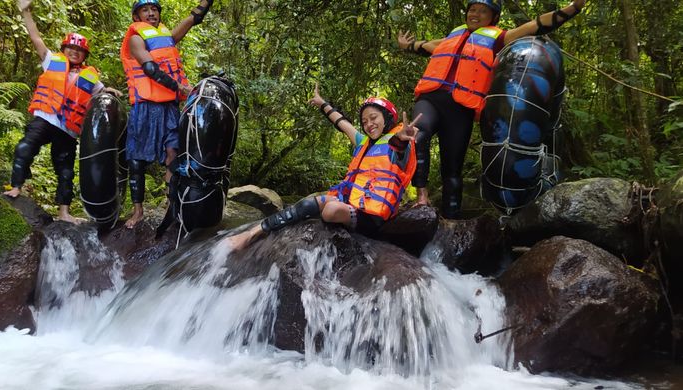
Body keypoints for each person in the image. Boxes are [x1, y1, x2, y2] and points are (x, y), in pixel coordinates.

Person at [397, 0, 586, 218]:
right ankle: (422, 197)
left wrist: (573, 8)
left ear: (492, 18)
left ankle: (450, 222)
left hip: (461, 109)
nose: (475, 14)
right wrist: (406, 46)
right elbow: (425, 46)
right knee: (417, 134)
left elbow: (536, 25)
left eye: (482, 11)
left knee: (452, 170)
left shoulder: (498, 38)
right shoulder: (453, 37)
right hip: (431, 99)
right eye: (472, 10)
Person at [229, 84, 420, 250]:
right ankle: (253, 233)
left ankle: (334, 213)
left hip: (373, 217)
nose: (369, 124)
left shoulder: (398, 144)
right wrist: (322, 104)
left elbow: (399, 148)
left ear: (387, 118)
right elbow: (341, 122)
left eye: (374, 118)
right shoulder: (363, 142)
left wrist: (401, 140)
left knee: (330, 211)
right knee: (306, 204)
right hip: (350, 202)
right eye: (364, 122)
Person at [3, 0, 120, 224]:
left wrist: (110, 91)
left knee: (65, 171)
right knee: (25, 148)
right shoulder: (51, 61)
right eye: (71, 49)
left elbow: (101, 92)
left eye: (79, 50)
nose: (74, 52)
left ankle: (64, 212)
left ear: (84, 55)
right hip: (46, 118)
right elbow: (36, 38)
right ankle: (16, 187)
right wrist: (26, 12)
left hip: (67, 128)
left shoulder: (90, 76)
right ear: (64, 49)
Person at [120, 0, 214, 229]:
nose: (151, 13)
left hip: (168, 107)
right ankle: (138, 210)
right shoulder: (135, 38)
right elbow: (150, 69)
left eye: (154, 9)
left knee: (173, 152)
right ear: (136, 16)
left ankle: (172, 205)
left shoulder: (166, 36)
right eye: (145, 10)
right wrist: (180, 87)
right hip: (145, 107)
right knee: (136, 160)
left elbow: (195, 18)